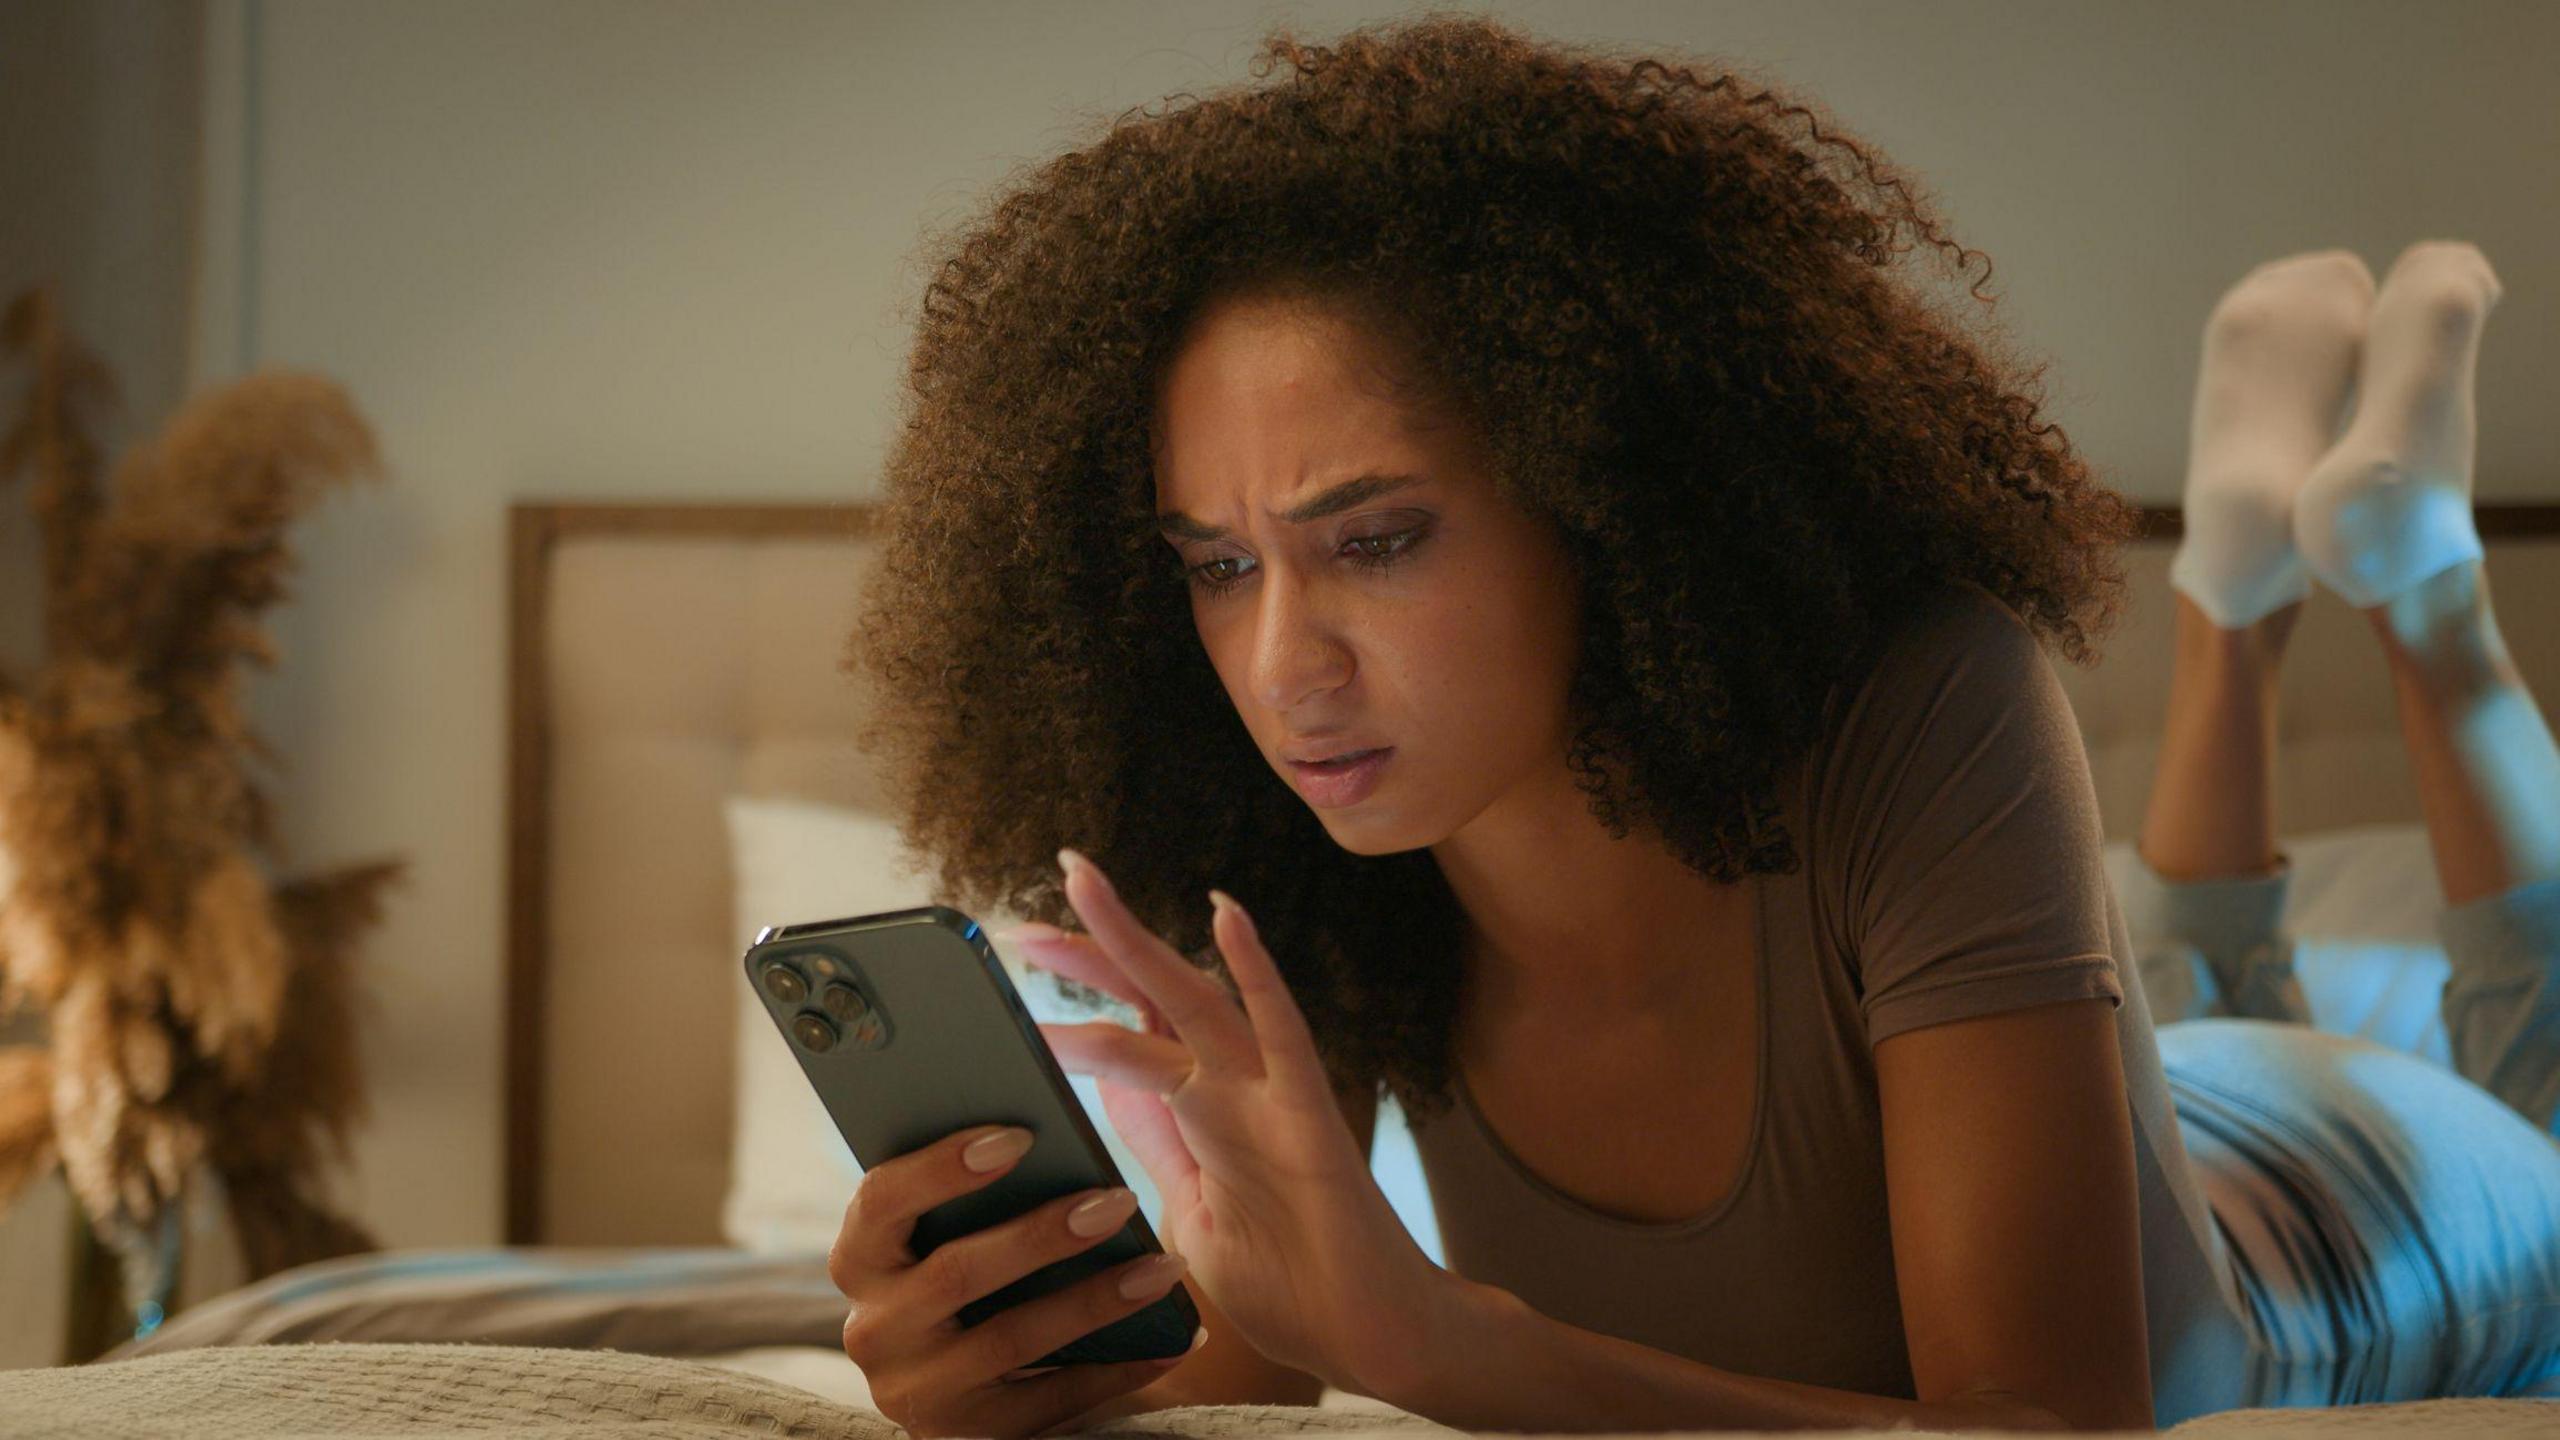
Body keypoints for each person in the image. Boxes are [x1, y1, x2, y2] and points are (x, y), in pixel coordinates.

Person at [825, 16, 2560, 1438]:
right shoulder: (1300, 848)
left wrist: (1451, 1349)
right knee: (2177, 984)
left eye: (1375, 538)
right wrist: (1013, 1388)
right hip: (2178, 1101)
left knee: (2525, 1049)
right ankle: (2257, 581)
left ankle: (2418, 603)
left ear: (1607, 495)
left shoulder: (1924, 692)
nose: (1283, 666)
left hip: (2364, 1196)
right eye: (1214, 565)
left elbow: (2054, 1428)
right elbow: (1259, 1377)